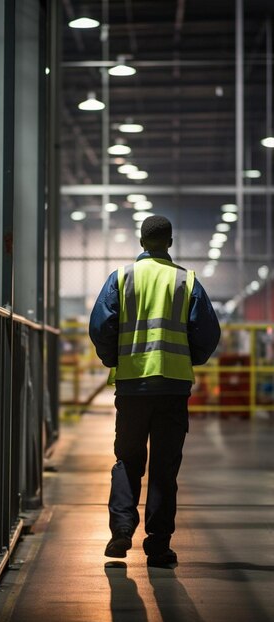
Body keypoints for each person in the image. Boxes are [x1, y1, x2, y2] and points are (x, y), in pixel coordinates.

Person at [89, 215, 220, 567]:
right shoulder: (186, 281)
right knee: (164, 468)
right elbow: (208, 333)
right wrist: (189, 358)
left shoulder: (122, 279)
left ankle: (121, 530)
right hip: (173, 388)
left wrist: (114, 358)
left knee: (128, 460)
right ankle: (158, 547)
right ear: (170, 243)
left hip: (132, 387)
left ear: (142, 242)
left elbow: (101, 326)